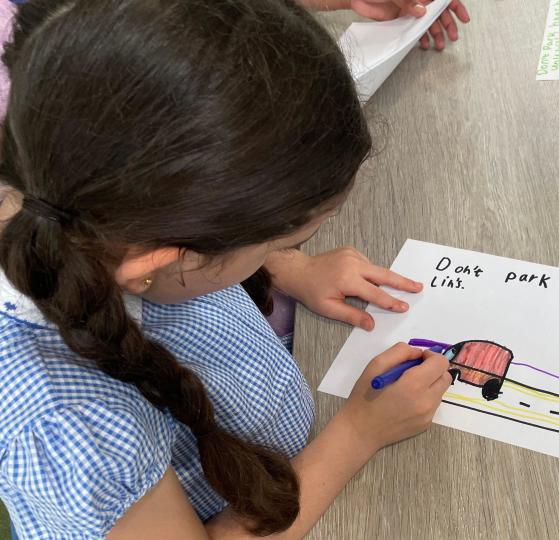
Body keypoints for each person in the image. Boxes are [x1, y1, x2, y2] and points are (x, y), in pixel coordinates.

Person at [0, 0, 465, 537]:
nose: (284, 248)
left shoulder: (85, 191)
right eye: (287, 236)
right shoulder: (71, 427)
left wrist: (294, 266)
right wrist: (357, 434)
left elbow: (201, 253)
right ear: (172, 257)